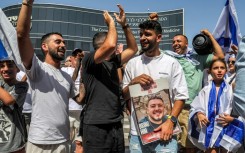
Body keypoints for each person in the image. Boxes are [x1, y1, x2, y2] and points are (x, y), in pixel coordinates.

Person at [16, 0, 85, 152]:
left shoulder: (67, 78)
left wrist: (86, 68)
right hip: (41, 143)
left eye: (64, 42)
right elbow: (21, 35)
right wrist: (27, 4)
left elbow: (80, 99)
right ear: (44, 46)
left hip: (64, 142)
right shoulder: (37, 69)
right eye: (57, 42)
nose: (63, 45)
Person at [122, 19, 189, 153]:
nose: (143, 38)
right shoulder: (132, 64)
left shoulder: (172, 63)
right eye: (141, 35)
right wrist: (132, 83)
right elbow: (124, 96)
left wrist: (170, 122)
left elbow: (181, 97)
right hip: (138, 135)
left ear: (158, 37)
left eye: (147, 34)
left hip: (165, 132)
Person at [81, 4, 138, 153]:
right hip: (96, 126)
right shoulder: (89, 60)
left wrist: (124, 26)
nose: (115, 47)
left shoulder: (113, 62)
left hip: (115, 124)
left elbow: (133, 49)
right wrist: (111, 24)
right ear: (100, 46)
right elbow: (111, 44)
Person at [165, 30, 224, 153]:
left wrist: (210, 36)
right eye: (173, 42)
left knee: (189, 147)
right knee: (168, 145)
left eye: (178, 41)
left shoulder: (197, 58)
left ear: (186, 44)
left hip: (189, 109)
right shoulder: (167, 57)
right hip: (171, 108)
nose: (175, 44)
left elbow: (220, 56)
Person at [188, 59, 244, 153]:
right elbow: (195, 107)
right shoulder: (205, 90)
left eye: (222, 68)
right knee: (211, 150)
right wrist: (199, 114)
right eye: (215, 68)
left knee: (225, 150)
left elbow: (239, 108)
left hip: (227, 125)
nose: (219, 70)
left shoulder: (231, 89)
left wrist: (232, 119)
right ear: (210, 71)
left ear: (226, 70)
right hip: (210, 126)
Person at [0, 59, 29, 153]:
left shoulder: (22, 86)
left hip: (14, 144)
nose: (5, 69)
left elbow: (9, 100)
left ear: (17, 68)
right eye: (2, 66)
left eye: (10, 65)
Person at [61, 48, 84, 153]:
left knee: (80, 141)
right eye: (76, 57)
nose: (78, 59)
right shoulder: (65, 70)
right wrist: (78, 65)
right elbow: (72, 81)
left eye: (80, 57)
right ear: (71, 58)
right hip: (69, 110)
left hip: (81, 110)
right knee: (68, 138)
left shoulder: (85, 69)